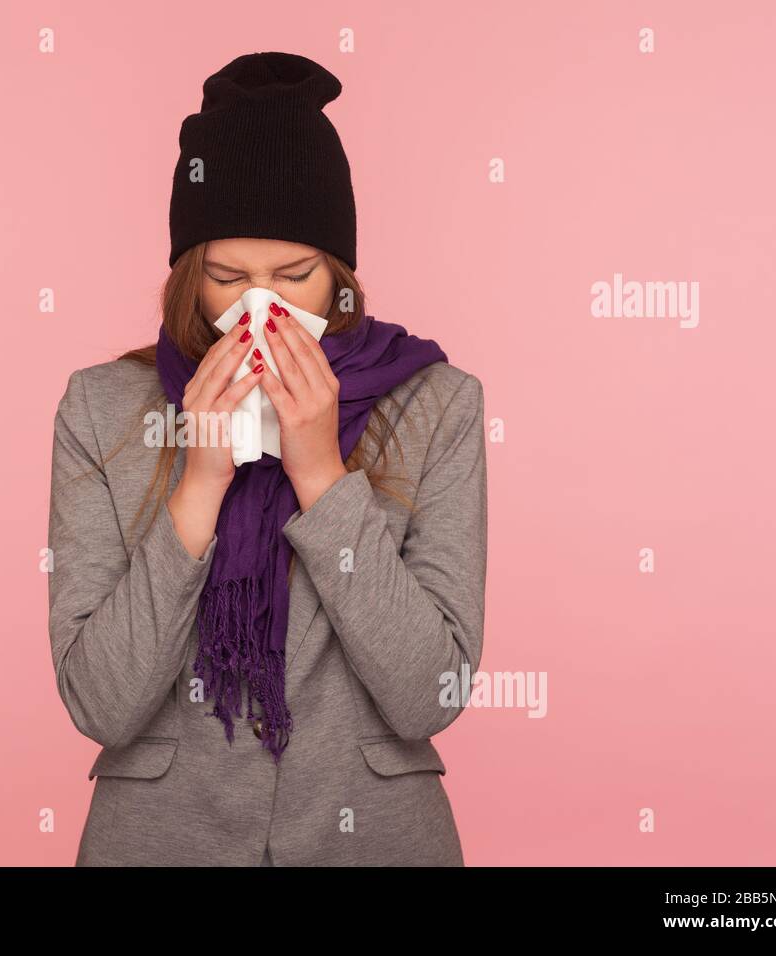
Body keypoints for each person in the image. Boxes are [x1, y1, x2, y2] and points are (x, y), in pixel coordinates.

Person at [47, 51, 487, 866]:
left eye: (296, 274)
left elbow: (431, 692)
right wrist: (200, 483)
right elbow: (101, 703)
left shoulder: (438, 404)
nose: (264, 305)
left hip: (375, 839)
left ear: (342, 275)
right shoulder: (101, 408)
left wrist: (321, 474)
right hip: (160, 841)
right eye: (226, 276)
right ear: (187, 276)